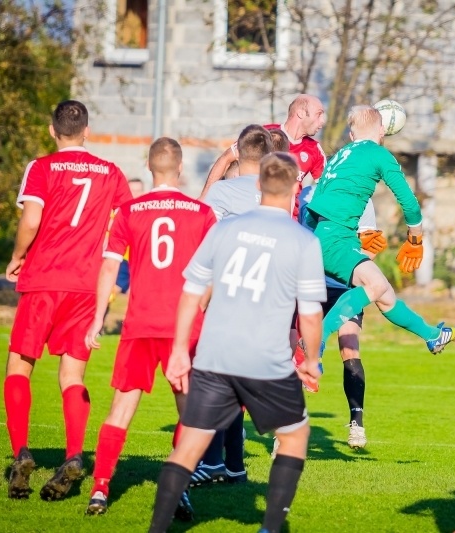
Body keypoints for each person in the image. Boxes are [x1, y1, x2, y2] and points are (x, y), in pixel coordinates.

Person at [148, 152, 326, 533]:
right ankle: (271, 526)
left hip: (214, 356)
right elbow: (310, 314)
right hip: (266, 360)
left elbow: (191, 292)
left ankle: (157, 528)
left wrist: (180, 349)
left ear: (258, 185)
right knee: (294, 435)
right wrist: (311, 359)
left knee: (189, 445)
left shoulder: (224, 229)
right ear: (297, 188)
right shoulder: (303, 240)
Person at [3, 100, 133, 500]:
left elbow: (31, 219)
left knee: (19, 366)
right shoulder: (111, 173)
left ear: (51, 130)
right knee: (72, 376)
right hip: (85, 285)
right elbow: (125, 223)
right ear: (87, 131)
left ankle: (21, 453)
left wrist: (17, 256)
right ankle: (74, 455)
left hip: (43, 279)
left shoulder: (41, 167)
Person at [81, 138, 216, 517]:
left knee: (121, 409)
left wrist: (97, 317)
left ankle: (100, 489)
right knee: (189, 414)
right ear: (181, 166)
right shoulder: (201, 212)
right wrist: (202, 308)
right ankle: (179, 489)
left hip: (140, 323)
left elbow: (109, 267)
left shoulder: (128, 210)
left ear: (148, 165)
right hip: (183, 328)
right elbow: (212, 273)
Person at [295, 105, 455, 373]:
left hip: (321, 236)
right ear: (383, 131)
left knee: (384, 293)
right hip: (338, 238)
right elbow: (409, 203)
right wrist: (416, 240)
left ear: (352, 135)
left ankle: (432, 335)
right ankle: (317, 341)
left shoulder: (339, 155)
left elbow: (316, 201)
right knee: (374, 286)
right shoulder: (379, 154)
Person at [189, 124, 274, 488]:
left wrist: (224, 160)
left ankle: (212, 461)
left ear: (239, 152)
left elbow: (199, 219)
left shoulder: (223, 190)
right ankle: (235, 465)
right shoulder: (278, 193)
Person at [297, 184, 386, 448]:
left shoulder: (363, 200)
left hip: (346, 286)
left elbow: (367, 251)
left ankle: (356, 424)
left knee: (350, 347)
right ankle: (287, 430)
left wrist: (367, 253)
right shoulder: (310, 195)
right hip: (313, 284)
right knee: (298, 350)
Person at [199, 94, 326, 220]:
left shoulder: (315, 150)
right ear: (301, 113)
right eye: (319, 114)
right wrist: (204, 197)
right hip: (252, 218)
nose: (322, 121)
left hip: (287, 224)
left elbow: (327, 188)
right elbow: (226, 157)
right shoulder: (264, 134)